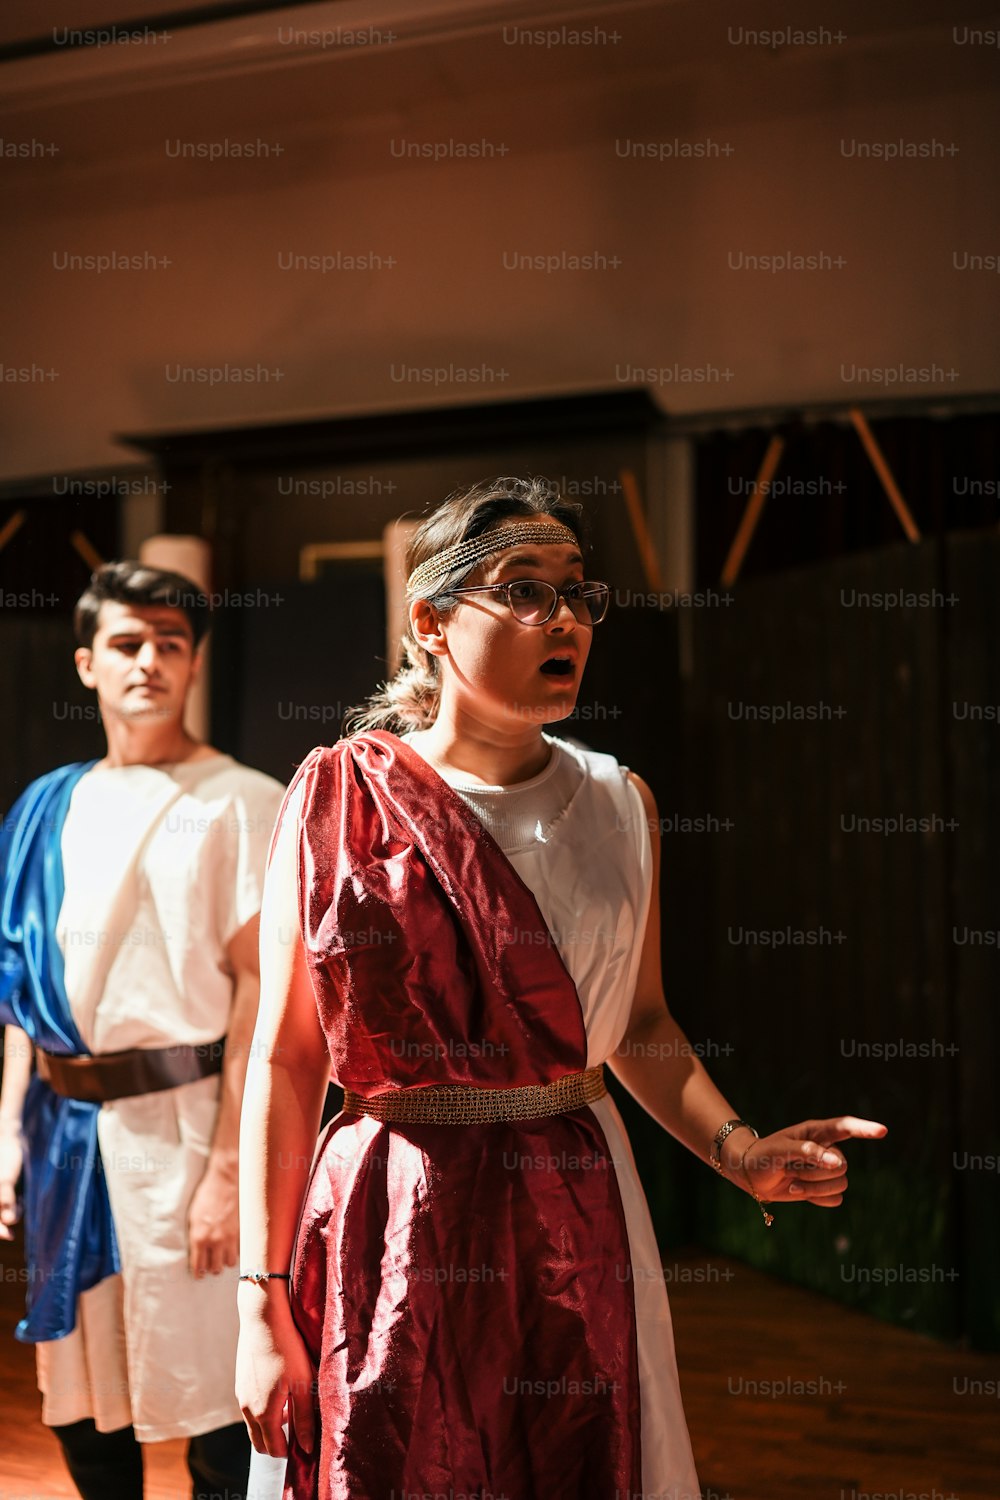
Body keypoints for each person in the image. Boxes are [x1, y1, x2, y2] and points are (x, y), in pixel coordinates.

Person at [235, 477, 888, 1499]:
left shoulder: (618, 801)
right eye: (524, 592)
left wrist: (740, 1150)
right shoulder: (338, 799)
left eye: (580, 595)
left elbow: (637, 1022)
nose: (566, 621)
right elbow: (285, 1059)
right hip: (388, 1210)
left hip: (572, 1204)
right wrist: (258, 1299)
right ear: (432, 622)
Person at [0, 562, 285, 1500]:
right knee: (80, 1394)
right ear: (87, 663)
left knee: (210, 1396)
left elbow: (265, 1001)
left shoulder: (244, 800)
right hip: (63, 1135)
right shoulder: (47, 804)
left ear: (196, 662)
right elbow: (22, 1000)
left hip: (186, 1124)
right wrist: (7, 1133)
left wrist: (229, 1179)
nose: (150, 662)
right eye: (128, 643)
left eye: (172, 643)